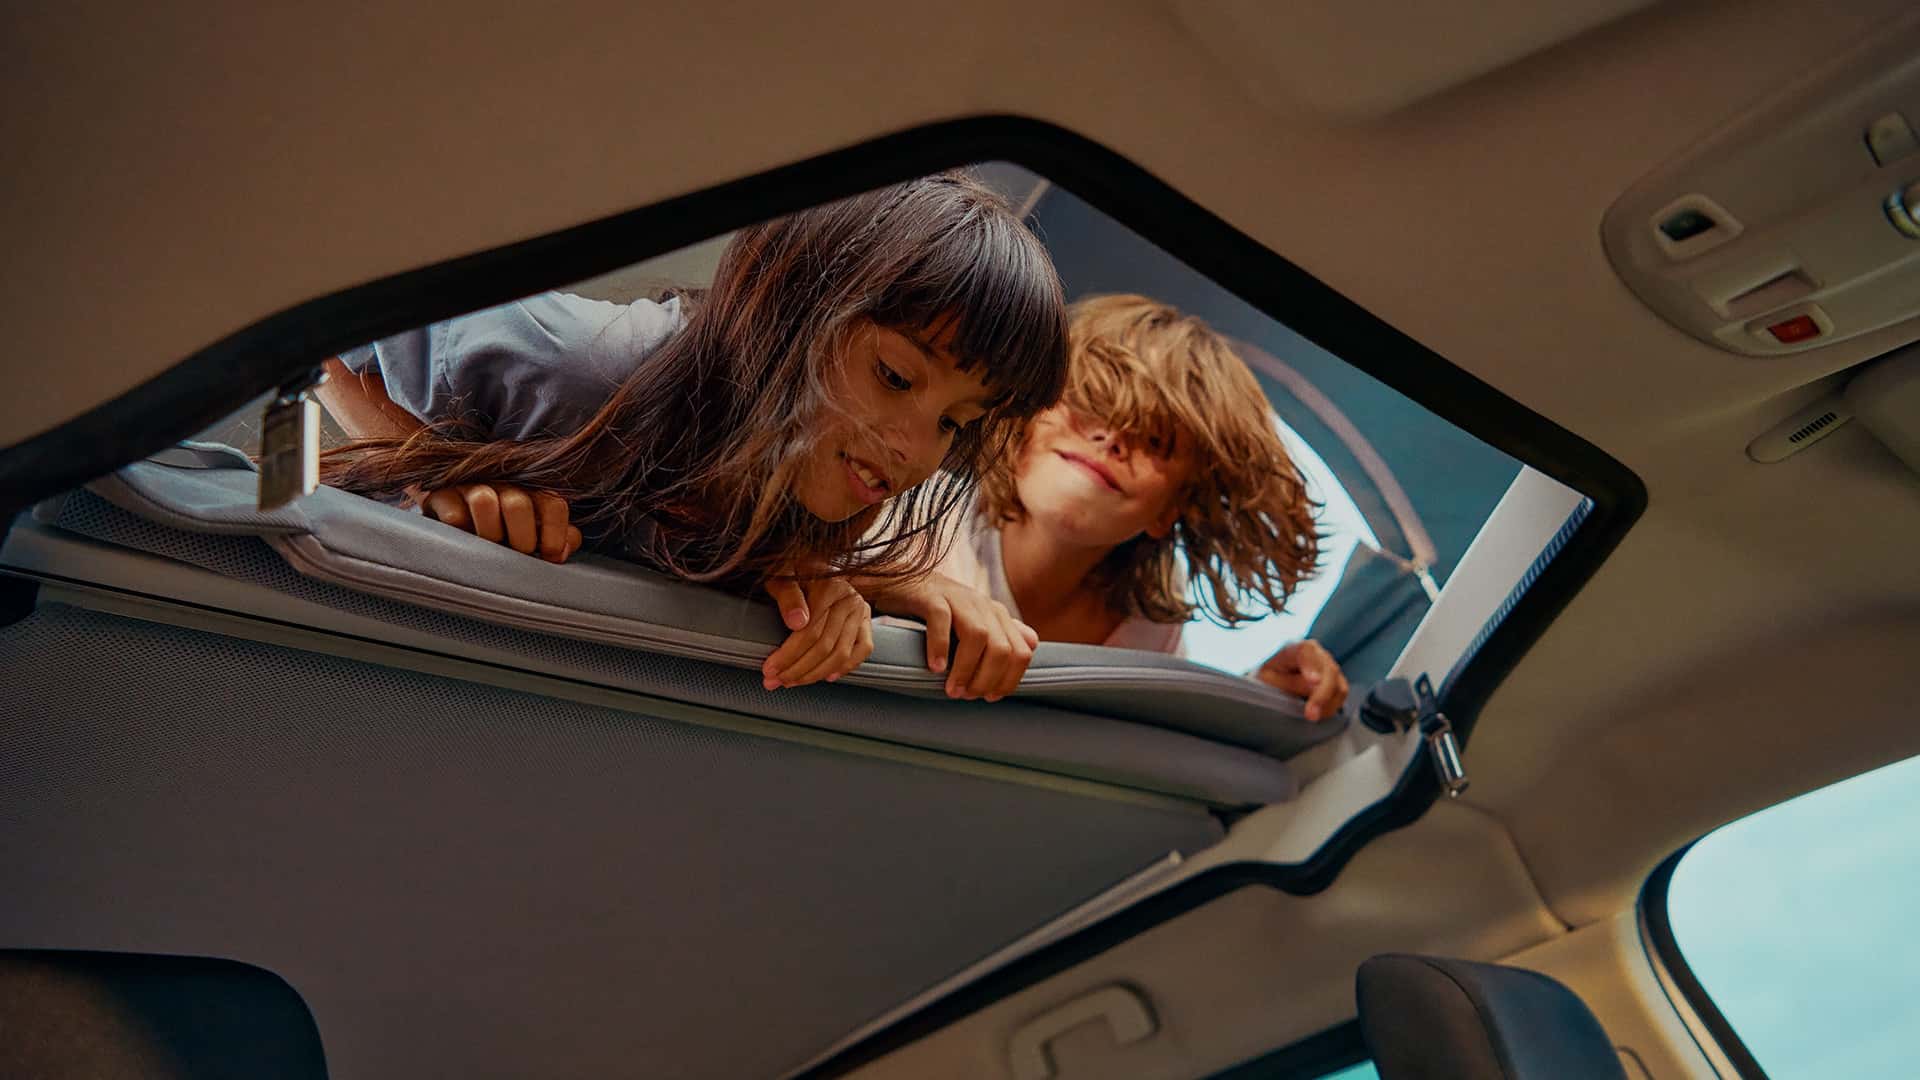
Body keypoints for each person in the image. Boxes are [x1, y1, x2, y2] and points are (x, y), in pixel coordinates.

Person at [315, 172, 1064, 696]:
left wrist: (871, 587)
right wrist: (434, 474)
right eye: (896, 377)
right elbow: (323, 327)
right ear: (790, 306)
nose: (914, 450)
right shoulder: (577, 365)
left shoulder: (814, 477)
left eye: (954, 423)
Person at [898, 293, 1351, 718]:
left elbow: (1158, 731)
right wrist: (894, 585)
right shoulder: (913, 514)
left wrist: (1259, 691)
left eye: (1154, 440)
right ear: (1029, 420)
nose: (1111, 437)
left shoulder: (1151, 632)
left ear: (1169, 511)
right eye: (1091, 402)